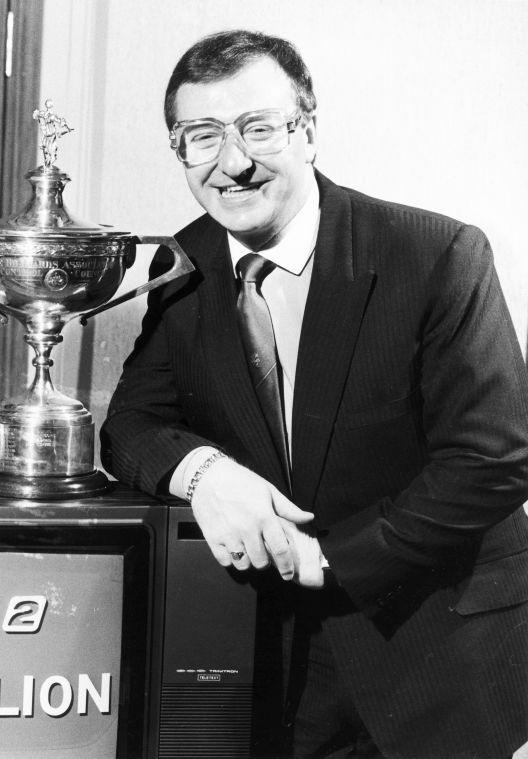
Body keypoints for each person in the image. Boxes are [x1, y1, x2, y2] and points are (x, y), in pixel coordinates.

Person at [101, 29, 528, 759]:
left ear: (308, 132)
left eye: (257, 129)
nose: (231, 163)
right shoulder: (186, 263)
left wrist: (330, 560)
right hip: (281, 664)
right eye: (200, 136)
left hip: (442, 649)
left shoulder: (435, 254)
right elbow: (131, 424)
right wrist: (208, 473)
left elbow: (495, 458)